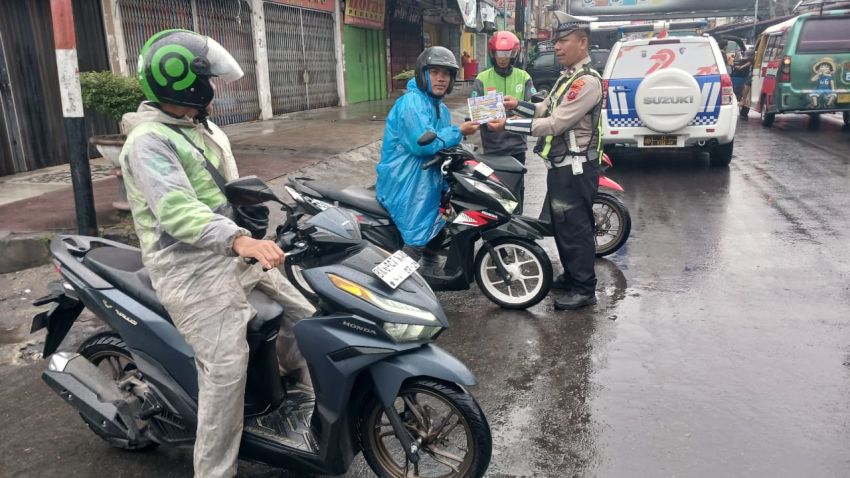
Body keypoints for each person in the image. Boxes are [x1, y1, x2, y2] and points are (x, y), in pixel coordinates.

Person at [118, 30, 315, 478]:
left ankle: (293, 394)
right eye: (210, 81)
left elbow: (222, 189)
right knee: (226, 370)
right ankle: (214, 470)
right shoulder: (149, 141)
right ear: (186, 84)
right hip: (188, 267)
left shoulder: (200, 127)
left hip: (227, 250)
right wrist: (239, 240)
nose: (217, 89)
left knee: (303, 313)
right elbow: (176, 209)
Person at [487, 13, 602, 310]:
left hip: (575, 168)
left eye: (564, 41)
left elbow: (555, 123)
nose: (558, 48)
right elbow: (545, 107)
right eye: (556, 42)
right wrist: (518, 106)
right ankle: (573, 275)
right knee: (563, 225)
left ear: (583, 42)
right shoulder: (567, 78)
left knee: (576, 227)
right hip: (561, 166)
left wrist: (508, 124)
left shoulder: (586, 82)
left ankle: (584, 287)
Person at [375, 46, 480, 263]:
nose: (441, 79)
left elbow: (443, 142)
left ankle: (427, 274)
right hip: (406, 182)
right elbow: (421, 144)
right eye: (435, 72)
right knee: (415, 241)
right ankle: (388, 287)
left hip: (427, 179)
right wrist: (459, 131)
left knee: (438, 230)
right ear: (423, 74)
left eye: (447, 74)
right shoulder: (411, 103)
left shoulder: (441, 108)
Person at [472, 31, 535, 213]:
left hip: (517, 146)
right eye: (500, 54)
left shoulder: (524, 77)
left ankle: (517, 222)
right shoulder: (482, 78)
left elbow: (533, 106)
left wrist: (522, 116)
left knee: (516, 187)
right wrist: (485, 116)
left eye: (507, 54)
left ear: (513, 54)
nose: (503, 58)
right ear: (493, 53)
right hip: (491, 147)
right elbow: (476, 113)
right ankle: (496, 226)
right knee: (494, 189)